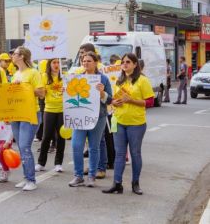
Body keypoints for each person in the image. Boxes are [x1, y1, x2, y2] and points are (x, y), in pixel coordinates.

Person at [103, 53, 154, 195]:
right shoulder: (119, 81)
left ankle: (135, 183)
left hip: (136, 123)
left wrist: (131, 100)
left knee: (135, 153)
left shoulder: (142, 81)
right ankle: (117, 184)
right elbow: (113, 99)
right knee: (119, 154)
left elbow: (150, 102)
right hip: (119, 121)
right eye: (123, 62)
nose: (124, 64)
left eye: (128, 62)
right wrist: (114, 102)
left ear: (135, 64)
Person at [69, 51, 112, 188]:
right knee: (76, 146)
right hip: (80, 117)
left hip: (98, 117)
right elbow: (70, 95)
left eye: (88, 61)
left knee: (94, 147)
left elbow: (110, 100)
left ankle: (91, 176)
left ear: (95, 63)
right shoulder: (77, 78)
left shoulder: (103, 79)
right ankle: (78, 176)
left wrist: (101, 93)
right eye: (83, 61)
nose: (85, 63)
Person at [10, 46, 45, 191]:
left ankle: (31, 179)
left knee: (25, 146)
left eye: (15, 54)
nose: (12, 56)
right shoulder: (15, 74)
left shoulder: (34, 72)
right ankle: (26, 177)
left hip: (31, 113)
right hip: (17, 113)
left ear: (22, 56)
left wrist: (25, 87)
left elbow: (42, 93)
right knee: (21, 147)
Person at [35, 58, 65, 173]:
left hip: (62, 110)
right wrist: (41, 91)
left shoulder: (64, 76)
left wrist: (67, 90)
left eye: (58, 62)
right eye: (54, 62)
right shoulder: (44, 77)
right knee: (46, 136)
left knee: (61, 137)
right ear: (49, 64)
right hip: (49, 109)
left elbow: (72, 92)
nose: (56, 65)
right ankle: (41, 163)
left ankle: (58, 163)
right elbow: (41, 96)